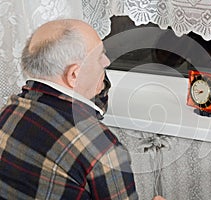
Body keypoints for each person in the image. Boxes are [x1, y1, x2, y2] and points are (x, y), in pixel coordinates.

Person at [0, 19, 165, 200]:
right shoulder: (103, 152)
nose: (107, 61)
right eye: (99, 56)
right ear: (74, 75)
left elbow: (92, 102)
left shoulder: (6, 114)